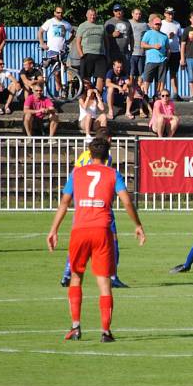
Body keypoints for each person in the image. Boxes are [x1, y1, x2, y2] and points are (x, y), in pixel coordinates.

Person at [47, 137, 146, 342]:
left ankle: (75, 327)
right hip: (102, 230)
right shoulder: (113, 173)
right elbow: (126, 201)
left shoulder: (77, 173)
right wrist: (137, 225)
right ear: (108, 155)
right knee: (103, 282)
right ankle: (106, 331)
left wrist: (53, 230)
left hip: (80, 229)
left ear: (89, 154)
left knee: (76, 277)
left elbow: (64, 202)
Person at [60, 128, 129, 288]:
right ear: (109, 140)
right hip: (100, 206)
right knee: (113, 241)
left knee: (78, 242)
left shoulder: (84, 155)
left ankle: (67, 274)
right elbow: (104, 178)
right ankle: (112, 277)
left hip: (82, 205)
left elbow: (76, 174)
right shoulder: (107, 157)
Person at [38, 6, 72, 97]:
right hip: (52, 50)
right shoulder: (50, 22)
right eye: (58, 12)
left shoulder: (65, 23)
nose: (59, 14)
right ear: (54, 13)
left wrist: (68, 41)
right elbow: (40, 31)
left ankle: (62, 91)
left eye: (61, 12)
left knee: (61, 71)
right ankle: (59, 88)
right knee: (56, 72)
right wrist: (42, 43)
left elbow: (74, 32)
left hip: (62, 51)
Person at [76, 8, 108, 94]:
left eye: (94, 15)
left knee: (101, 76)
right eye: (91, 15)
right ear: (87, 15)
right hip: (87, 54)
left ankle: (98, 97)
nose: (93, 16)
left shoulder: (101, 26)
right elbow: (78, 42)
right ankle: (88, 96)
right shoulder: (82, 26)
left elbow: (106, 41)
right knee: (86, 77)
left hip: (100, 54)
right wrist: (81, 54)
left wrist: (106, 54)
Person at [140, 14, 168, 96]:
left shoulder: (164, 35)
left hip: (162, 61)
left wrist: (167, 57)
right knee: (147, 79)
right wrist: (153, 46)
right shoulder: (148, 33)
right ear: (152, 24)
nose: (158, 25)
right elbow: (142, 45)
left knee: (160, 80)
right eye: (156, 24)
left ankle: (158, 95)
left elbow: (168, 48)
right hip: (151, 61)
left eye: (159, 24)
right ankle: (145, 95)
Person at [160, 7, 183, 101]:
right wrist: (167, 36)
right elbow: (158, 35)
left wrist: (182, 54)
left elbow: (181, 39)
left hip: (175, 52)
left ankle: (175, 93)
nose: (170, 15)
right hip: (164, 52)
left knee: (174, 74)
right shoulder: (161, 23)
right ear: (165, 14)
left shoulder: (177, 24)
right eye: (169, 13)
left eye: (172, 13)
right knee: (163, 74)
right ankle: (161, 94)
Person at [104, 4, 132, 71]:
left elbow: (131, 36)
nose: (118, 12)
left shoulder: (127, 22)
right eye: (116, 11)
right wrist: (112, 35)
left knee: (125, 71)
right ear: (113, 12)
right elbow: (103, 37)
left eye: (119, 10)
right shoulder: (108, 22)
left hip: (125, 52)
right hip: (112, 52)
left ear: (122, 11)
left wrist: (132, 48)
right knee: (112, 71)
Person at [129, 8, 149, 86]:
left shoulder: (144, 25)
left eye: (139, 14)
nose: (138, 15)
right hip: (132, 52)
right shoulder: (128, 23)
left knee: (140, 74)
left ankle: (139, 93)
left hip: (141, 53)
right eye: (136, 14)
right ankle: (131, 93)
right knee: (131, 73)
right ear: (132, 14)